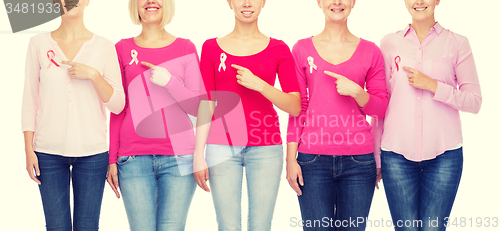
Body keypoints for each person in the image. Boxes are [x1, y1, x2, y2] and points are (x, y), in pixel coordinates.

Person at [192, 0, 301, 230]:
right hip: (221, 147)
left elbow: (295, 106)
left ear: (263, 3)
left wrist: (261, 85)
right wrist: (197, 153)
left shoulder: (279, 48)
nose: (247, 3)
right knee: (227, 225)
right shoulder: (211, 47)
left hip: (266, 148)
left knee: (260, 226)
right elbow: (206, 103)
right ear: (229, 3)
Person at [374, 0, 482, 230]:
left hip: (444, 157)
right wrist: (376, 156)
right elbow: (380, 103)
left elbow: (474, 102)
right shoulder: (388, 43)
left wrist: (434, 85)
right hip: (396, 156)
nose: (419, 2)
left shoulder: (457, 43)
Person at [22, 0, 125, 230]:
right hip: (47, 153)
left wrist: (94, 75)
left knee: (87, 227)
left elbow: (118, 104)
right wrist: (28, 149)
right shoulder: (37, 44)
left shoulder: (104, 46)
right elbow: (30, 100)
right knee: (56, 226)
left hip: (93, 154)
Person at [286, 0, 389, 230]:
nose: (337, 2)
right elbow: (297, 107)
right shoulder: (301, 49)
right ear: (319, 2)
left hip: (359, 162)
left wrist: (357, 93)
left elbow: (380, 108)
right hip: (311, 161)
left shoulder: (371, 51)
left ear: (353, 2)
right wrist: (290, 159)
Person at [106, 0, 202, 230]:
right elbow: (119, 108)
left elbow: (198, 107)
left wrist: (170, 82)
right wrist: (111, 159)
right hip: (132, 159)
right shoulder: (120, 48)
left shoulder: (186, 47)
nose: (150, 1)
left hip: (180, 159)